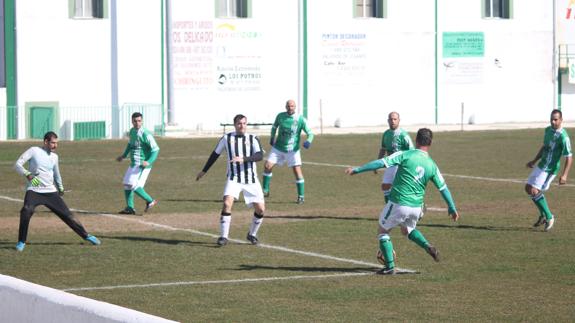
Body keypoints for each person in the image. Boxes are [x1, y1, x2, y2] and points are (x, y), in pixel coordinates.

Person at [345, 128, 459, 275]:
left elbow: (381, 163)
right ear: (430, 143)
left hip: (399, 202)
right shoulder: (432, 165)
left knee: (383, 231)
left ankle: (389, 267)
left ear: (416, 140)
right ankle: (427, 246)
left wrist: (358, 170)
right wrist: (452, 207)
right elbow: (443, 188)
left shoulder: (405, 154)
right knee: (407, 230)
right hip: (417, 207)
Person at [13, 131, 101, 252]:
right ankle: (21, 242)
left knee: (68, 216)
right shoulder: (34, 150)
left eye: (56, 143)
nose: (55, 145)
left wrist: (60, 188)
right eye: (53, 143)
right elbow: (17, 164)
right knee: (26, 210)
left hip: (50, 192)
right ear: (45, 142)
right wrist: (28, 175)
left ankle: (86, 235)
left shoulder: (55, 157)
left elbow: (56, 173)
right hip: (34, 190)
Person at [196, 114, 266, 246]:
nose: (242, 126)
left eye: (244, 123)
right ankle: (223, 237)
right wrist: (204, 171)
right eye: (239, 123)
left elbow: (259, 155)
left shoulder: (253, 138)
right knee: (227, 203)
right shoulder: (226, 138)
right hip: (233, 178)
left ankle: (252, 234)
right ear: (235, 124)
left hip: (251, 180)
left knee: (261, 210)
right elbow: (214, 155)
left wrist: (244, 159)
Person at [525, 109, 572, 232]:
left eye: (556, 119)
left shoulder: (564, 137)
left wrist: (565, 175)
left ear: (561, 120)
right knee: (528, 188)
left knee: (535, 191)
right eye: (551, 119)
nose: (553, 121)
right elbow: (544, 147)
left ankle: (549, 217)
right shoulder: (547, 130)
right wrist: (534, 160)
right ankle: (543, 215)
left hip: (550, 169)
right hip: (542, 164)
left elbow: (569, 157)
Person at [262, 99, 314, 204]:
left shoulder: (300, 119)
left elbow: (310, 133)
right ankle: (265, 190)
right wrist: (272, 137)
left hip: (292, 150)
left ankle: (301, 196)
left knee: (297, 172)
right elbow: (274, 127)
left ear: (295, 107)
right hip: (278, 147)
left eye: (292, 106)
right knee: (267, 166)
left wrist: (308, 141)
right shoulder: (280, 116)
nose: (290, 108)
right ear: (286, 107)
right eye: (289, 106)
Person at [116, 112, 160, 215]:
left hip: (142, 164)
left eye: (139, 121)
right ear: (132, 121)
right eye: (135, 121)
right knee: (127, 184)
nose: (137, 123)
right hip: (133, 163)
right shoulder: (132, 131)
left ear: (142, 121)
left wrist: (148, 161)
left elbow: (156, 149)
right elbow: (130, 144)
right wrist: (123, 155)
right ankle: (130, 208)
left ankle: (150, 200)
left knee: (131, 184)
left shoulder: (146, 134)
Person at [378, 112, 414, 203]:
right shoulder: (386, 134)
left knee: (399, 188)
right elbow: (383, 149)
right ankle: (389, 208)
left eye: (395, 119)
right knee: (386, 186)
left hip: (400, 165)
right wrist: (378, 163)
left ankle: (417, 206)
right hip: (390, 164)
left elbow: (412, 151)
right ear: (388, 121)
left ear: (399, 120)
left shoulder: (403, 135)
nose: (393, 121)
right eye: (391, 119)